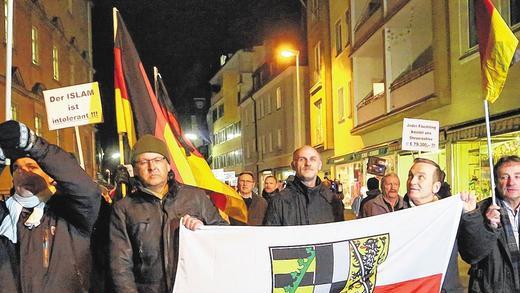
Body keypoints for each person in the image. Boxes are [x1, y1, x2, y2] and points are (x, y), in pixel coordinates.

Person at [109, 135, 227, 293]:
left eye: (158, 160)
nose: (152, 167)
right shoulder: (124, 208)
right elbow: (120, 265)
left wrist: (203, 230)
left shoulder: (195, 197)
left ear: (168, 165)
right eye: (144, 162)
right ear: (135, 169)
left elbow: (224, 237)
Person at [0, 120, 101, 292]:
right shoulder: (5, 216)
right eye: (16, 168)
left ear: (51, 176)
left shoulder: (69, 214)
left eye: (32, 166)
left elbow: (86, 189)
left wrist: (35, 146)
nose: (22, 171)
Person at [406, 157, 473, 293]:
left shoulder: (451, 214)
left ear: (436, 187)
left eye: (421, 177)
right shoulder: (397, 218)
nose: (412, 181)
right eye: (411, 176)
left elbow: (474, 252)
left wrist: (471, 217)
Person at [458, 155, 520, 292]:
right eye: (504, 177)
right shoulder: (477, 212)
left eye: (517, 176)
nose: (511, 182)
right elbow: (471, 255)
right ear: (495, 182)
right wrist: (489, 227)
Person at [264, 145, 343, 225]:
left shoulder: (333, 201)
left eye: (313, 159)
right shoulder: (279, 201)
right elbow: (270, 236)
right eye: (302, 159)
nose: (308, 163)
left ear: (319, 165)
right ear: (293, 165)